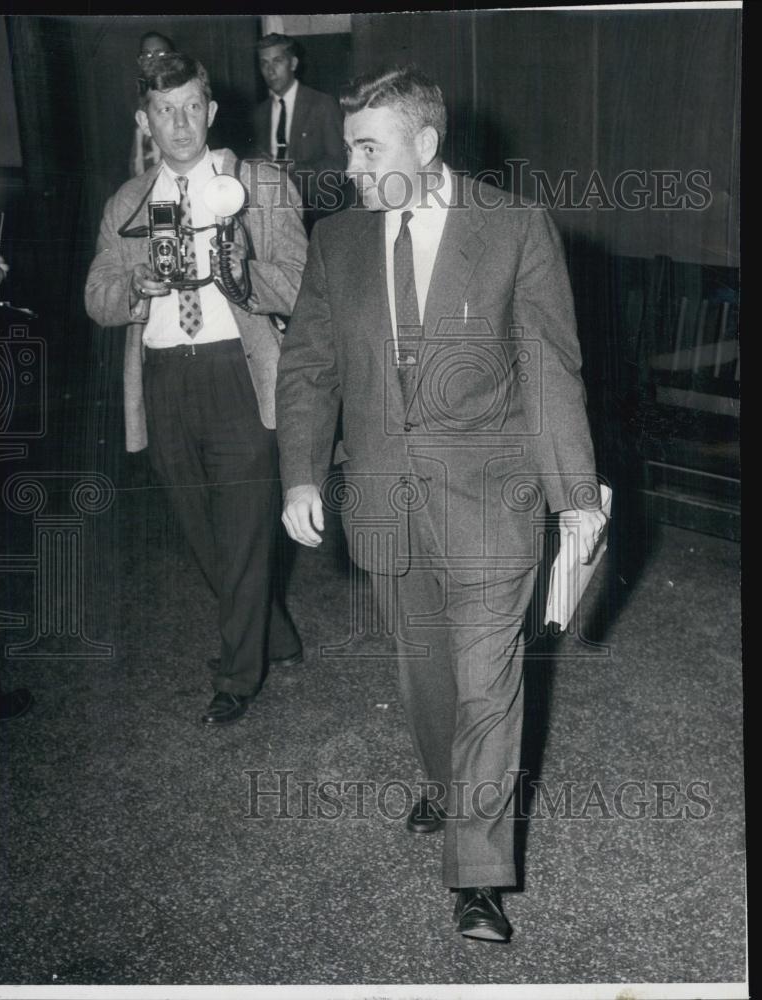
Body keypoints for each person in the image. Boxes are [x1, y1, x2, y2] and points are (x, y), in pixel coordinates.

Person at [276, 65, 606, 940]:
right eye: (349, 146)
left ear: (424, 146)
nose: (347, 165)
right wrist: (302, 473)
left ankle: (479, 875)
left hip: (493, 498)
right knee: (427, 679)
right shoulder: (337, 239)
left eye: (365, 147)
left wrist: (575, 496)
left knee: (487, 683)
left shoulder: (511, 227)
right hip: (385, 496)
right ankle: (442, 782)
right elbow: (308, 364)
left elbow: (547, 368)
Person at [86, 52, 307, 726]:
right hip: (163, 380)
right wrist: (134, 287)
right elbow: (97, 298)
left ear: (210, 113)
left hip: (237, 374)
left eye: (190, 107)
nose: (179, 122)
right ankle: (273, 634)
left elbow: (301, 284)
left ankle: (236, 676)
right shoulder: (126, 203)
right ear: (144, 120)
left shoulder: (260, 184)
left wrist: (243, 272)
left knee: (241, 531)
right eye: (163, 109)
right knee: (202, 534)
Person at [253, 33, 346, 228]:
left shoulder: (322, 104)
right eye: (264, 63)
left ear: (293, 63)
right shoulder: (259, 113)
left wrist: (296, 169)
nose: (270, 70)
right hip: (273, 217)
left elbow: (340, 165)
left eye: (277, 61)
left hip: (316, 215)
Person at [129, 31, 176, 177]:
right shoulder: (138, 96)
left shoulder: (184, 95)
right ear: (140, 61)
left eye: (161, 54)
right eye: (147, 55)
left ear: (174, 58)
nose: (153, 61)